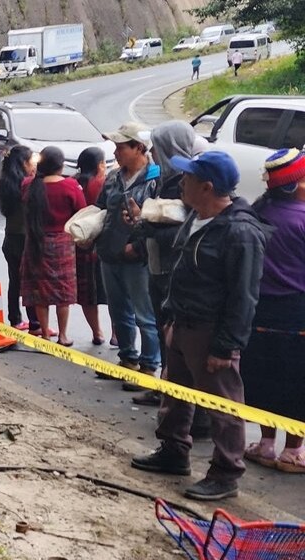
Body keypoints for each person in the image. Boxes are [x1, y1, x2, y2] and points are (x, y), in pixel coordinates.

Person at [131, 150, 267, 501]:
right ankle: (174, 452)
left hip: (212, 332)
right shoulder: (195, 217)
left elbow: (244, 297)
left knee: (223, 406)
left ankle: (225, 473)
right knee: (175, 394)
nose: (181, 183)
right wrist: (171, 316)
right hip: (183, 322)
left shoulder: (240, 232)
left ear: (207, 187)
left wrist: (225, 346)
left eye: (188, 178)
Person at [128, 121, 207, 406]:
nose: (152, 152)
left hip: (174, 271)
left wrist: (145, 224)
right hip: (156, 265)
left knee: (177, 339)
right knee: (164, 335)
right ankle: (164, 388)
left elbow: (183, 232)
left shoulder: (188, 184)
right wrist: (141, 224)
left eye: (157, 147)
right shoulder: (164, 179)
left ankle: (178, 398)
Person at [243, 148, 305, 472]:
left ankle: (266, 444)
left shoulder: (259, 213)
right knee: (296, 381)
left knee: (264, 378)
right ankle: (293, 451)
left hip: (260, 310)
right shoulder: (302, 220)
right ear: (297, 184)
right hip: (297, 313)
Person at [95, 122, 160, 382]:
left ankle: (148, 365)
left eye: (121, 147)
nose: (116, 152)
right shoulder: (113, 177)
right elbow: (100, 209)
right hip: (110, 252)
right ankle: (127, 358)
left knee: (145, 314)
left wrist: (139, 247)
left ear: (139, 148)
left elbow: (160, 223)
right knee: (118, 309)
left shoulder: (156, 180)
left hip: (138, 257)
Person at [21, 146, 85, 345]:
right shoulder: (70, 186)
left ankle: (46, 335)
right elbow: (82, 213)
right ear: (61, 165)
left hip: (35, 242)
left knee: (40, 292)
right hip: (62, 244)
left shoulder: (29, 185)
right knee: (62, 292)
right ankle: (63, 335)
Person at [0, 145, 39, 329]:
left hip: (10, 238)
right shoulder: (27, 184)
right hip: (25, 238)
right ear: (24, 163)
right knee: (30, 282)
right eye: (32, 161)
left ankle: (15, 319)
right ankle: (35, 322)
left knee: (15, 280)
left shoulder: (5, 182)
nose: (34, 165)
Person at [74, 147, 107, 344]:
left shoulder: (74, 183)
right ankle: (116, 335)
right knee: (114, 294)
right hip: (102, 246)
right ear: (99, 165)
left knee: (87, 294)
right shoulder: (103, 184)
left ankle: (97, 333)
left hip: (81, 244)